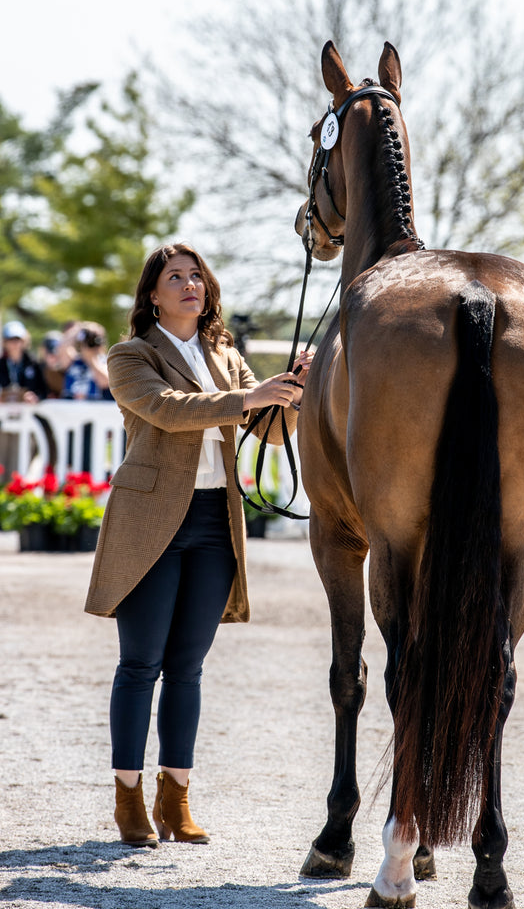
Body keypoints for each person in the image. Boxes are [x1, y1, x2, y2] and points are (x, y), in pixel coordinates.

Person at [84, 243, 313, 847]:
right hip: (151, 523)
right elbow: (165, 409)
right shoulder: (130, 354)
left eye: (197, 277)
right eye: (175, 278)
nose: (190, 286)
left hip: (216, 522)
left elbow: (262, 429)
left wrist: (291, 392)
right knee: (140, 665)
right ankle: (128, 796)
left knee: (187, 668)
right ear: (152, 295)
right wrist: (249, 398)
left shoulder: (226, 353)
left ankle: (176, 796)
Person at [62, 322, 113, 400]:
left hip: (95, 408)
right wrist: (78, 331)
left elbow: (105, 382)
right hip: (70, 407)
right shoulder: (74, 360)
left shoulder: (106, 361)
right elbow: (61, 347)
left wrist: (91, 359)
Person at [0, 321, 47, 403]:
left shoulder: (33, 364)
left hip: (29, 412)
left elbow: (44, 391)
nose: (15, 344)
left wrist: (35, 397)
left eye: (18, 339)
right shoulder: (1, 364)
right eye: (11, 340)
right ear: (5, 342)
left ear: (24, 341)